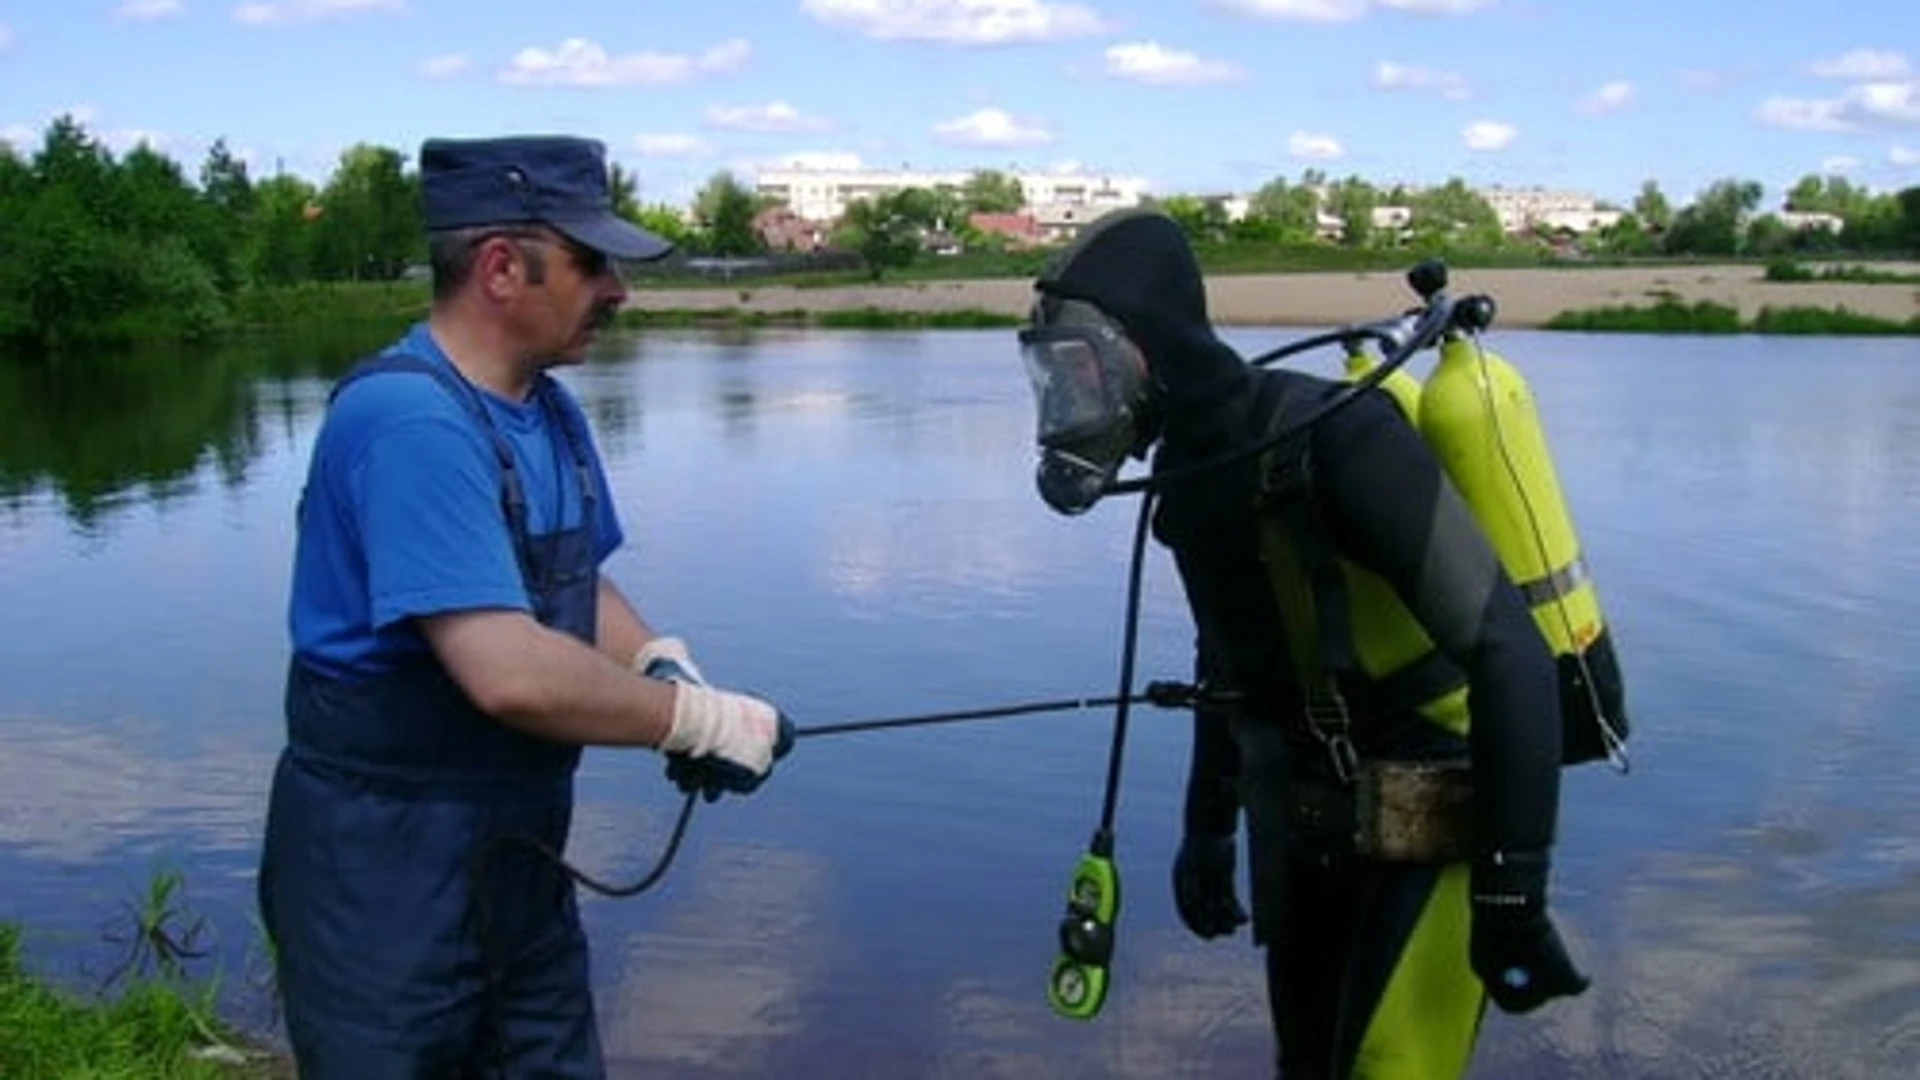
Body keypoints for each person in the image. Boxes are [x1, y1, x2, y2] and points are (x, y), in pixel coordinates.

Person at [256, 134, 796, 1078]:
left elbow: (576, 582)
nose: (618, 291)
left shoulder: (546, 409)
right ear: (502, 266)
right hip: (381, 869)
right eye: (593, 264)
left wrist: (658, 663)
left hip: (515, 864)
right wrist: (695, 722)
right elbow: (507, 672)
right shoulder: (410, 422)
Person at [1015, 207, 1593, 1079]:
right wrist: (1206, 829)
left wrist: (1513, 891)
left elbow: (1508, 650)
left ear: (1144, 347)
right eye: (1052, 379)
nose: (1069, 404)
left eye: (1079, 373)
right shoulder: (1194, 480)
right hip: (1305, 824)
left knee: (1387, 1067)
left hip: (1434, 810)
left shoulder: (1338, 437)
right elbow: (1231, 661)